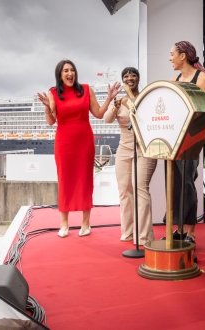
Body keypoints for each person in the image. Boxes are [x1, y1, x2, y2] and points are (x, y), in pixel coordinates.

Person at [37, 59, 120, 238]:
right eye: (66, 70)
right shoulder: (53, 93)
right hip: (64, 142)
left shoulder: (85, 89)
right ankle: (64, 224)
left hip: (84, 141)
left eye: (72, 70)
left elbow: (98, 114)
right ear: (60, 74)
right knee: (65, 180)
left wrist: (109, 98)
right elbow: (51, 122)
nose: (70, 73)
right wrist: (46, 108)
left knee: (85, 179)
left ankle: (85, 223)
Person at [104, 67, 157, 244]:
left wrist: (129, 96)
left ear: (138, 79)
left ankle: (143, 236)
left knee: (140, 189)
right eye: (126, 76)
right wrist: (114, 105)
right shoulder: (120, 101)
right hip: (124, 149)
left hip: (144, 149)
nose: (129, 78)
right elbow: (107, 119)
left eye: (133, 75)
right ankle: (128, 232)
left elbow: (142, 116)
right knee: (124, 191)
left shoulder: (145, 98)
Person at [166, 41, 205, 244]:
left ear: (183, 56)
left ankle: (191, 233)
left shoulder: (202, 78)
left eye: (172, 54)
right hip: (174, 138)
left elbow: (201, 112)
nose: (170, 58)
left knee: (187, 183)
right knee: (174, 183)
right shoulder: (174, 78)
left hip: (192, 138)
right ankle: (179, 230)